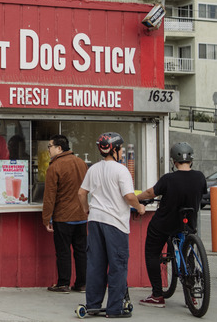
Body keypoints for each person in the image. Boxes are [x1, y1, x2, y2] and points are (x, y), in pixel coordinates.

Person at [78, 132, 145, 318]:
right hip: (115, 223)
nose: (123, 151)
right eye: (121, 148)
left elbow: (81, 194)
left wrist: (86, 210)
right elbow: (129, 196)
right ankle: (114, 309)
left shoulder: (93, 169)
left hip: (95, 221)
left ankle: (92, 305)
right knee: (117, 266)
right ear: (114, 149)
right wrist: (139, 207)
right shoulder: (121, 170)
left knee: (95, 265)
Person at [136, 142, 207, 308]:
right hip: (188, 223)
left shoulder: (168, 178)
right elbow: (202, 193)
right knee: (187, 252)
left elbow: (150, 193)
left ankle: (157, 296)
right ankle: (191, 295)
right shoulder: (200, 177)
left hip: (165, 223)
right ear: (191, 159)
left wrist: (136, 198)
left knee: (152, 253)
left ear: (173, 161)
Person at [42, 134, 89, 294]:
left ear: (59, 148)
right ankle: (82, 284)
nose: (48, 150)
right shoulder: (81, 163)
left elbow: (50, 196)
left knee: (63, 252)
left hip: (63, 217)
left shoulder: (55, 166)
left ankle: (63, 283)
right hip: (82, 216)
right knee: (81, 251)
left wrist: (46, 218)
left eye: (50, 146)